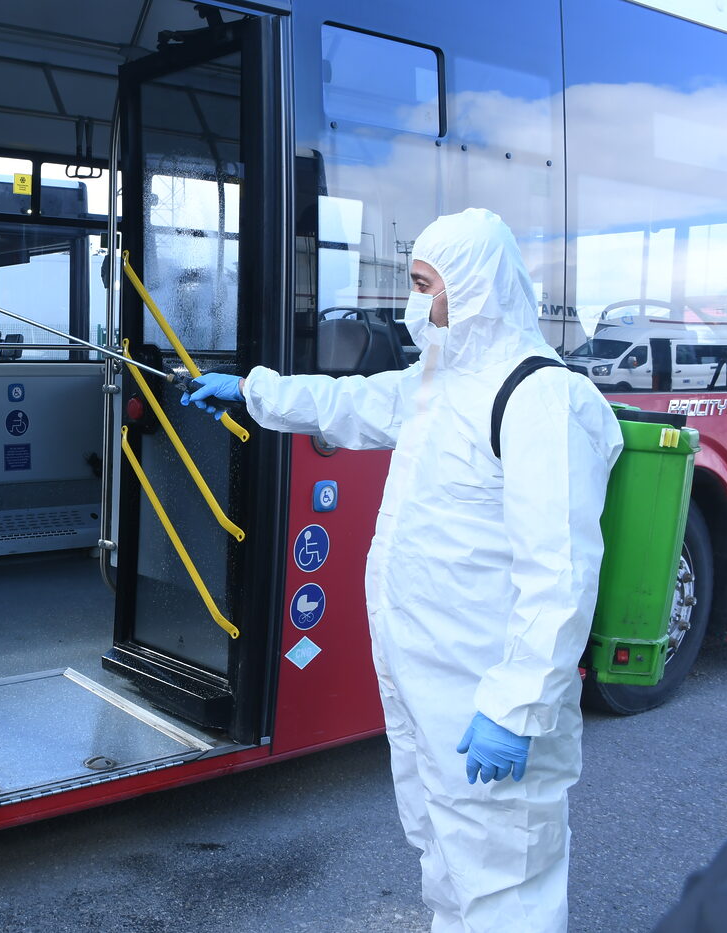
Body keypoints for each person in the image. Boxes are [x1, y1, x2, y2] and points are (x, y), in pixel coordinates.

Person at [185, 208, 623, 931]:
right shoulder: (440, 379)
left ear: (474, 288)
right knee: (447, 860)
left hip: (489, 699)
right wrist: (254, 392)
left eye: (425, 284)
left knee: (506, 881)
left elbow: (562, 574)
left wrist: (515, 708)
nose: (413, 302)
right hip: (428, 689)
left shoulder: (541, 398)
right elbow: (352, 402)